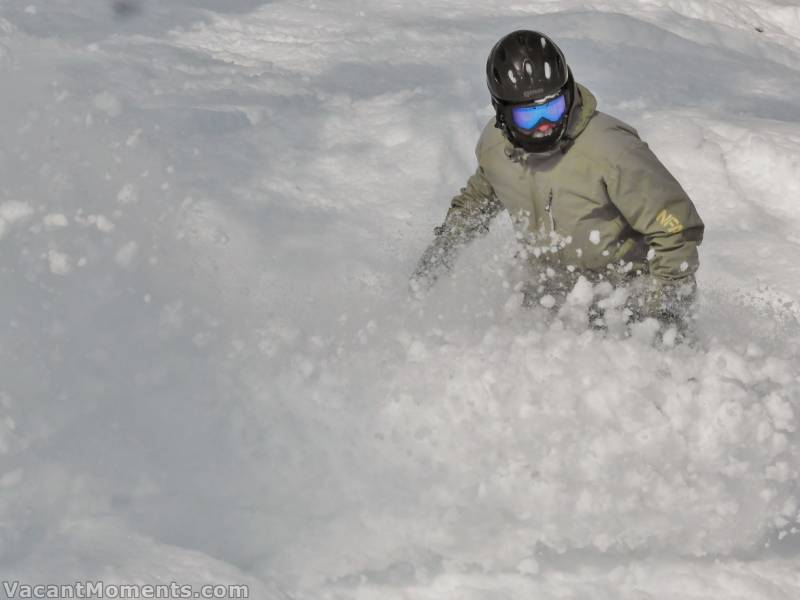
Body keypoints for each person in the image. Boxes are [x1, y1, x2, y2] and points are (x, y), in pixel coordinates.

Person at [411, 30, 704, 335]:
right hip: (545, 296)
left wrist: (666, 312)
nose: (543, 126)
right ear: (502, 113)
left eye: (552, 109)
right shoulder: (495, 148)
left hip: (622, 297)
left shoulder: (611, 149)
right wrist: (442, 252)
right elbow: (476, 201)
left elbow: (675, 229)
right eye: (528, 117)